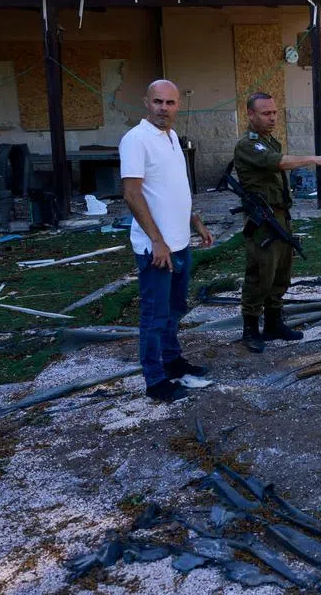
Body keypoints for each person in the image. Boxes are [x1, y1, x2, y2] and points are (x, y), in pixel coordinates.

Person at [120, 80, 214, 402]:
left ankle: (172, 362)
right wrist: (157, 241)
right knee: (154, 314)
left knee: (175, 308)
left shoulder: (173, 137)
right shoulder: (136, 140)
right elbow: (132, 194)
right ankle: (155, 379)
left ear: (178, 106)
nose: (164, 108)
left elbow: (175, 187)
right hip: (156, 248)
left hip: (180, 242)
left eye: (170, 103)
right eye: (158, 102)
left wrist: (195, 220)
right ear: (147, 102)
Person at [233, 92, 321, 352]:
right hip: (262, 219)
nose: (272, 118)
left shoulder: (270, 142)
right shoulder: (248, 145)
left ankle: (273, 323)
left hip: (279, 215)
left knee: (281, 271)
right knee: (261, 272)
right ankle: (250, 329)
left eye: (274, 113)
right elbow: (278, 163)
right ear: (250, 114)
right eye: (265, 113)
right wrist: (315, 159)